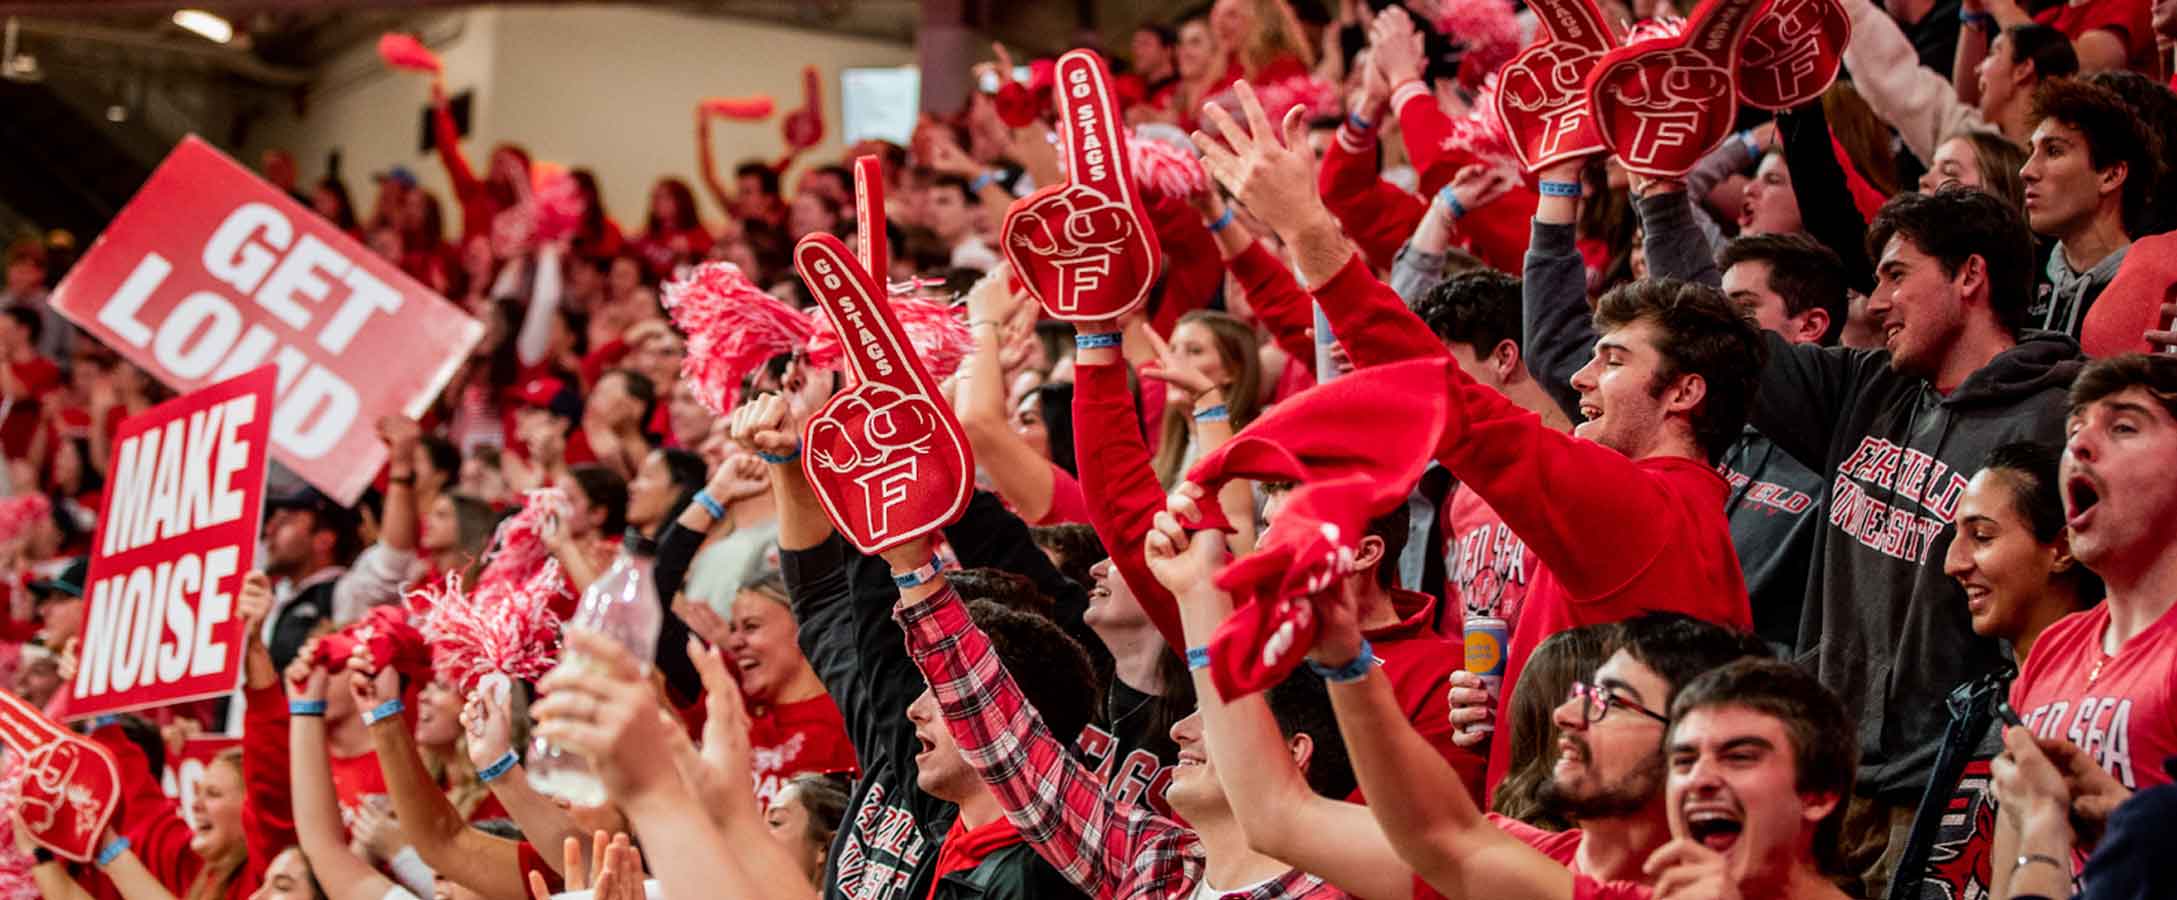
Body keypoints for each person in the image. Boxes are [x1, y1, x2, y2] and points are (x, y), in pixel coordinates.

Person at [1189, 82, 1758, 801]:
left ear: (1684, 393)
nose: (1579, 376)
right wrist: (1518, 703)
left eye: (1612, 360)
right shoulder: (1682, 516)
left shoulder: (1643, 510)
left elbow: (1445, 400)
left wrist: (1309, 229)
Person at [1740, 185, 2081, 895]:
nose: (1873, 303)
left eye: (1897, 276)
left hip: (1945, 789)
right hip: (1829, 775)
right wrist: (1659, 190)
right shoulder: (1863, 386)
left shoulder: (2055, 422)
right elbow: (1722, 349)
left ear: (1969, 277)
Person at [733, 383, 1091, 900]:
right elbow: (821, 600)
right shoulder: (898, 745)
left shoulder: (1030, 866)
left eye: (939, 680)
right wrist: (791, 462)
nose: (915, 705)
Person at [1888, 441, 2098, 900]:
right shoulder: (1977, 710)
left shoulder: (2106, 709)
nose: (1953, 563)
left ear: (2061, 549)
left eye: (1981, 537)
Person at [2005, 354, 2177, 800]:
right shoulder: (2050, 650)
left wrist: (2127, 830)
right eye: (2073, 429)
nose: (2079, 445)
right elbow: (2015, 848)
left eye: (2124, 428)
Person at [2020, 79, 2158, 337]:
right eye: (2031, 152)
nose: (2026, 171)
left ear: (2111, 175)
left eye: (2053, 151)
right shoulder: (2016, 280)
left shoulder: (2157, 296)